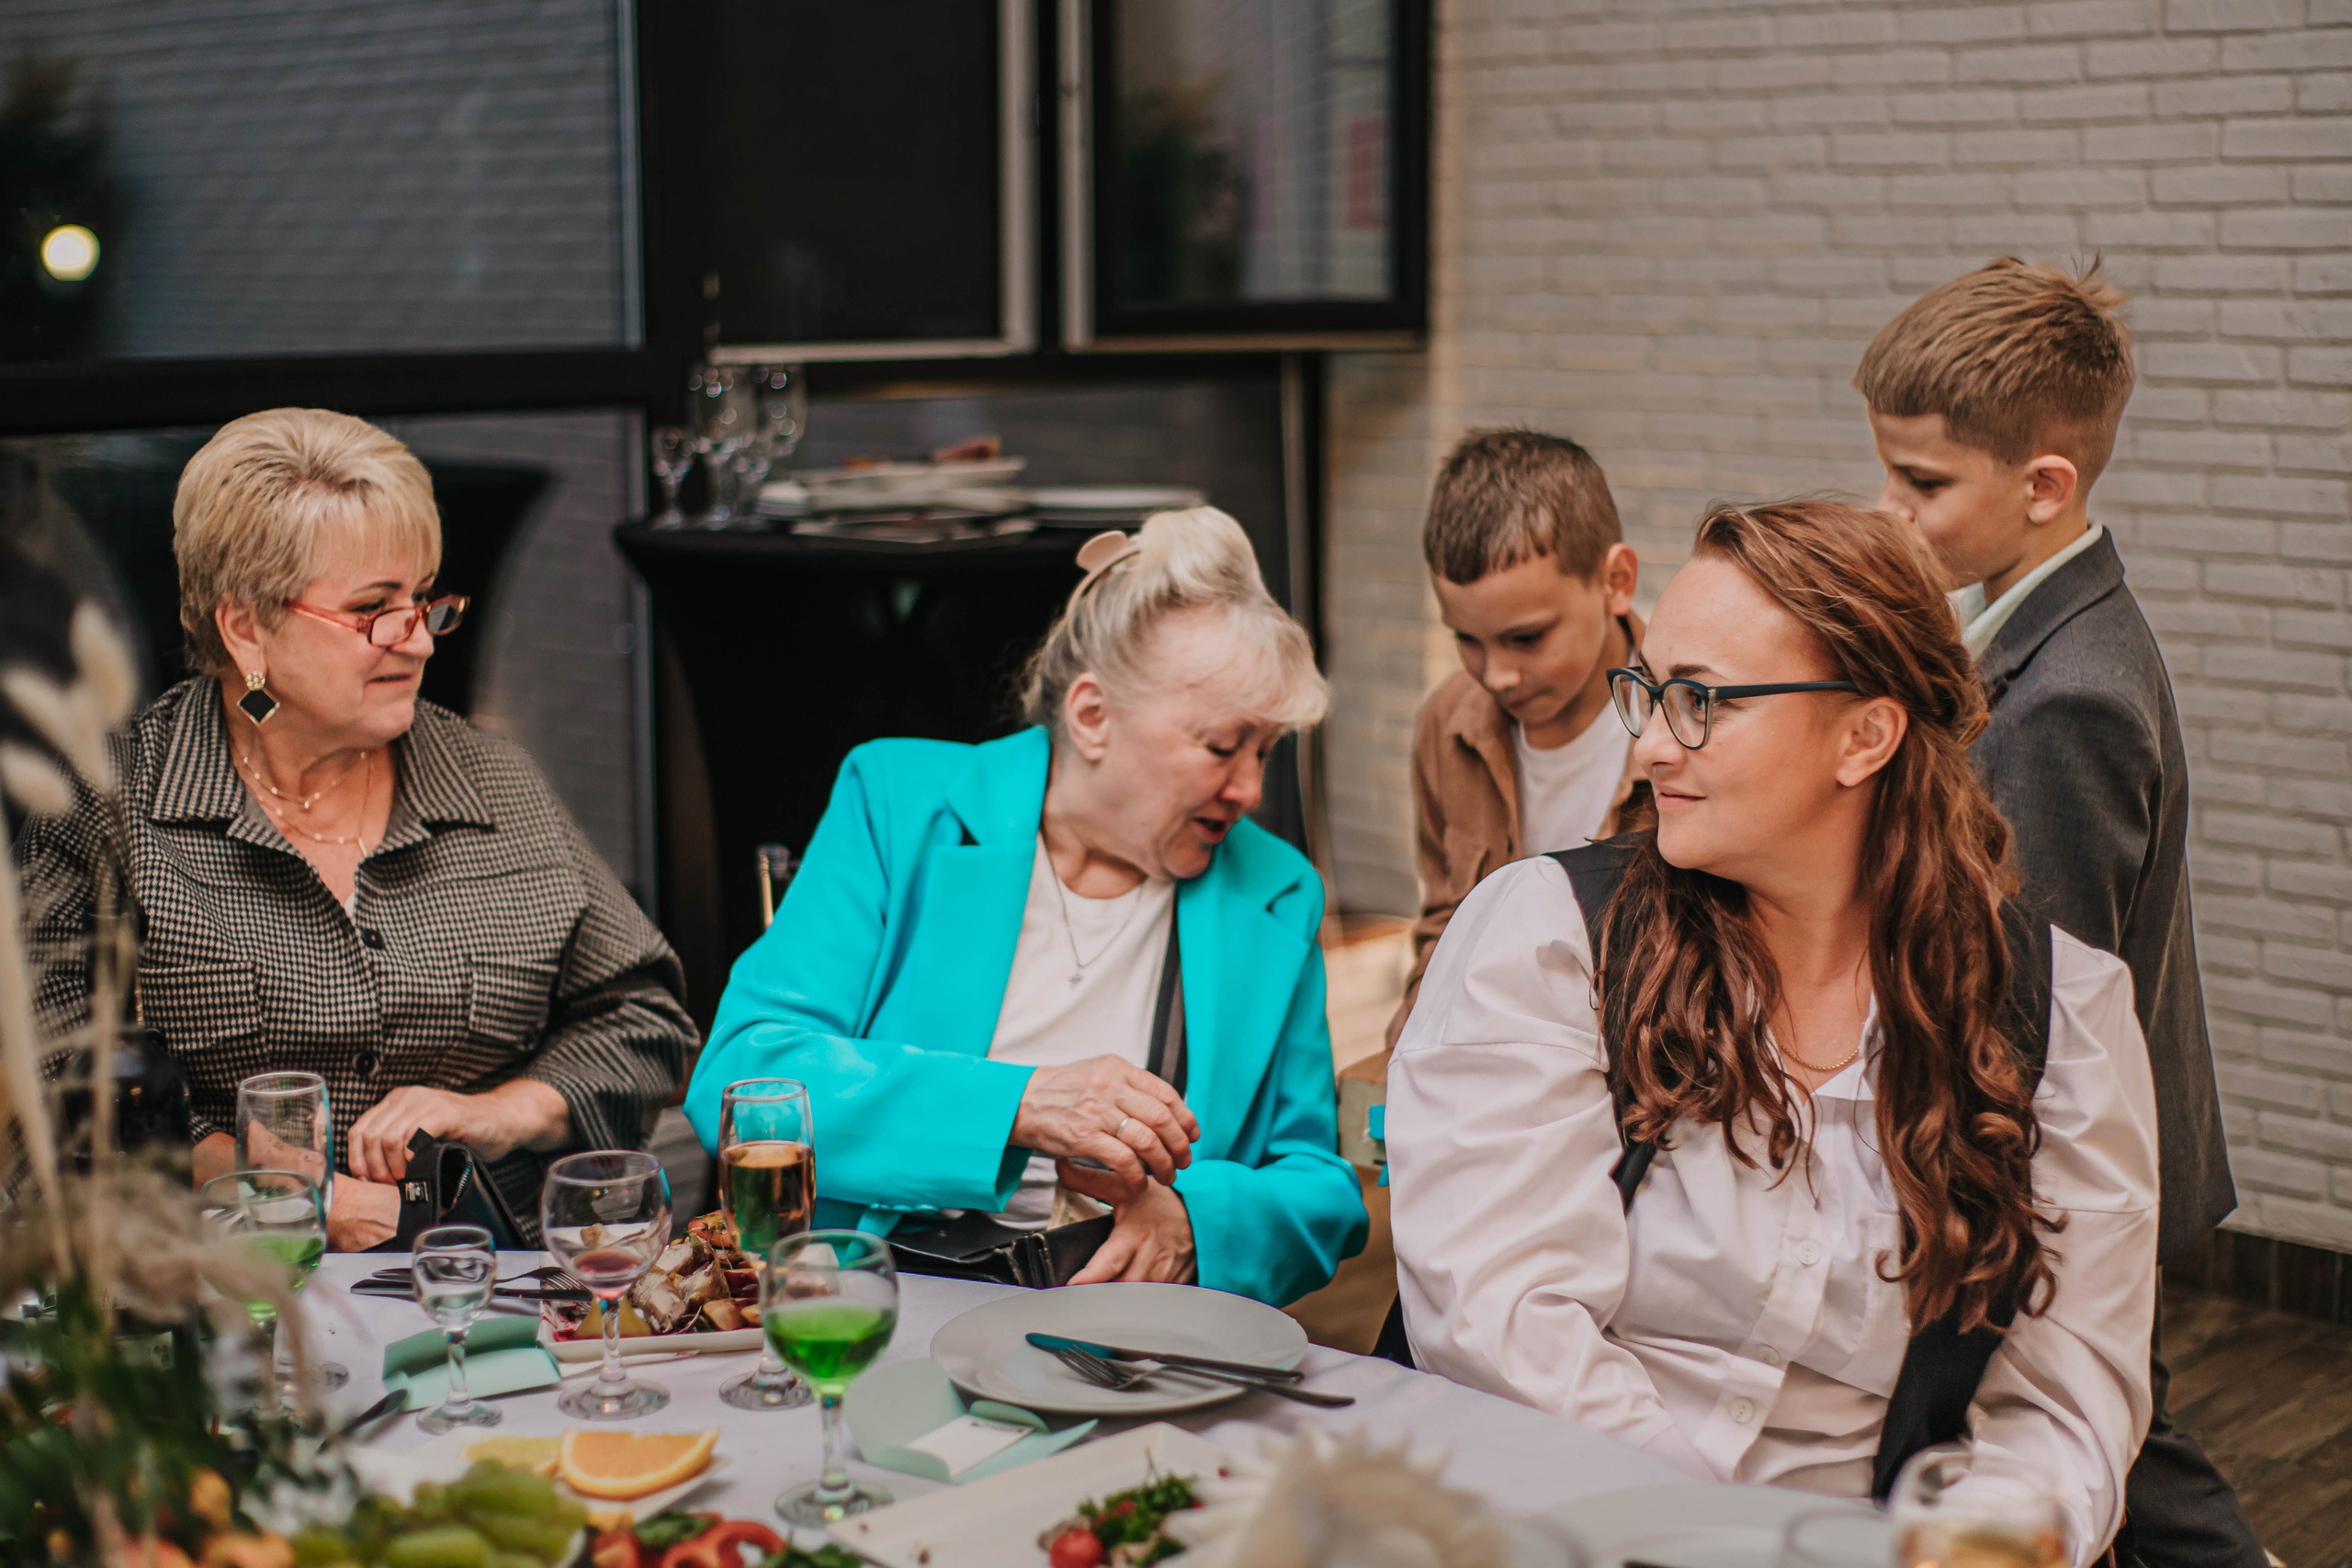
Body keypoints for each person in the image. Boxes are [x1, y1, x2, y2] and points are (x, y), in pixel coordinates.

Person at [1389, 500, 2159, 1564]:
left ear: (1865, 736)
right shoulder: (1548, 939)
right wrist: (1731, 1546)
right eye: (1649, 692)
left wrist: (1971, 1542)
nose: (1651, 743)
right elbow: (1499, 1326)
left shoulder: (2060, 1013)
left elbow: (2064, 1403)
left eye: (1701, 700)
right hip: (1547, 1526)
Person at [18, 408, 695, 1247]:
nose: (417, 642)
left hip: (504, 1283)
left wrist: (494, 1112)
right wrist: (291, 1194)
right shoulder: (112, 808)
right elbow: (49, 1090)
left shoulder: (495, 784)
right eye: (374, 609)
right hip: (238, 1294)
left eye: (425, 602)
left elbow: (645, 1020)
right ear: (246, 626)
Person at [685, 507, 1365, 1306]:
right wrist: (1020, 1105)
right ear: (1092, 716)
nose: (1250, 789)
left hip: (1127, 1328)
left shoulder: (1276, 890)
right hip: (884, 1298)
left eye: (1265, 750)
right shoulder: (900, 806)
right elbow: (741, 1084)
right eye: (1222, 745)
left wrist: (1192, 1219)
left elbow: (1321, 1189)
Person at [1860, 259, 2254, 1568]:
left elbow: (2048, 995)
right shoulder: (2021, 619)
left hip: (2069, 1161)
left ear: (2044, 486)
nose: (1890, 508)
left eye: (1922, 485)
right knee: (2110, 1426)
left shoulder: (2068, 697)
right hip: (2071, 1151)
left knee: (2115, 1437)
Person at [1386, 429, 1646, 1048]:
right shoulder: (1447, 724)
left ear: (1616, 581)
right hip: (1494, 1065)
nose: (1497, 674)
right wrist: (1414, 1040)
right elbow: (1446, 922)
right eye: (1467, 640)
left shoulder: (1687, 723)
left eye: (1526, 638)